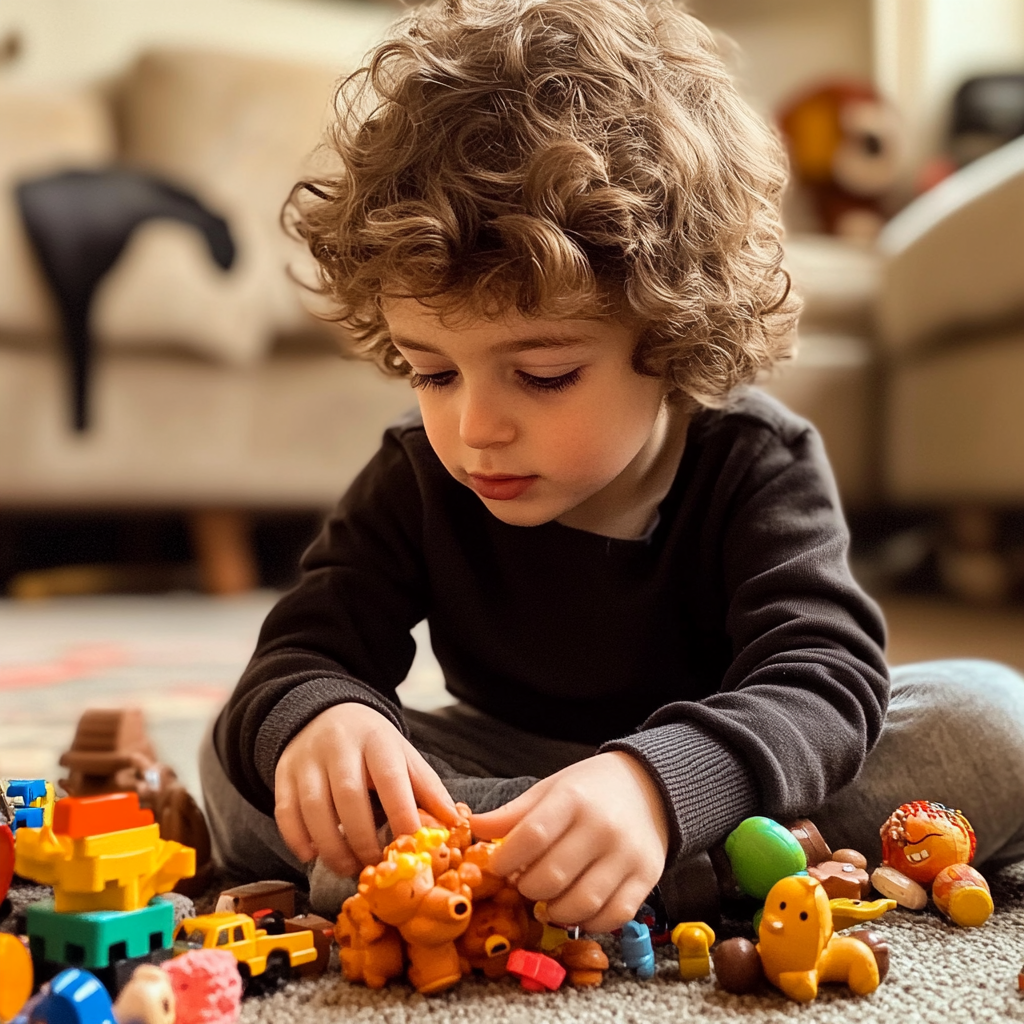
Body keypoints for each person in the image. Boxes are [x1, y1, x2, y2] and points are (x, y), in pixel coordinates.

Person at [200, 0, 1024, 930]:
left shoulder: (757, 462)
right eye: (433, 371)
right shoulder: (417, 475)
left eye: (544, 375)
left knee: (994, 721)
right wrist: (322, 720)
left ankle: (549, 862)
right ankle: (581, 857)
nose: (474, 428)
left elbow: (822, 676)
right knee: (245, 767)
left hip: (718, 767)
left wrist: (658, 785)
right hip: (509, 755)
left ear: (672, 336)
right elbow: (304, 651)